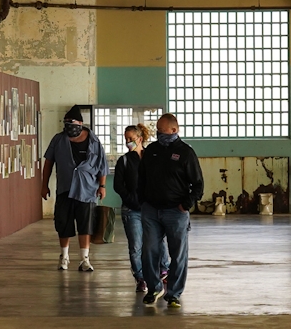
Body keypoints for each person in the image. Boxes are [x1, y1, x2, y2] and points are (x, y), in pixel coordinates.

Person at [139, 114, 203, 308]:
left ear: (174, 130)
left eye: (162, 130)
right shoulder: (151, 151)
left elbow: (198, 185)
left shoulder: (185, 153)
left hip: (176, 212)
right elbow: (141, 178)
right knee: (149, 250)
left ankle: (174, 293)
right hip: (151, 210)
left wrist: (186, 204)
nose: (159, 134)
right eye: (157, 130)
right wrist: (142, 200)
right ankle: (154, 288)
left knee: (178, 253)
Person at [41, 105, 107, 272]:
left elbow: (102, 165)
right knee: (63, 223)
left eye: (72, 122)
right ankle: (64, 257)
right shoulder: (58, 140)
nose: (69, 126)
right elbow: (48, 162)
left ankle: (84, 259)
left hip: (87, 190)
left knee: (86, 224)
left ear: (80, 123)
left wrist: (102, 186)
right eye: (66, 123)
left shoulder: (94, 141)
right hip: (65, 188)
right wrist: (44, 185)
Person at [114, 123, 163, 292]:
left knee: (157, 241)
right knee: (136, 246)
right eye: (126, 139)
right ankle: (140, 277)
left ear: (140, 139)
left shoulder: (152, 158)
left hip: (151, 208)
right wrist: (131, 200)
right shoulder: (124, 161)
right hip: (132, 210)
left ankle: (163, 271)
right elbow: (118, 186)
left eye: (131, 139)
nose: (128, 142)